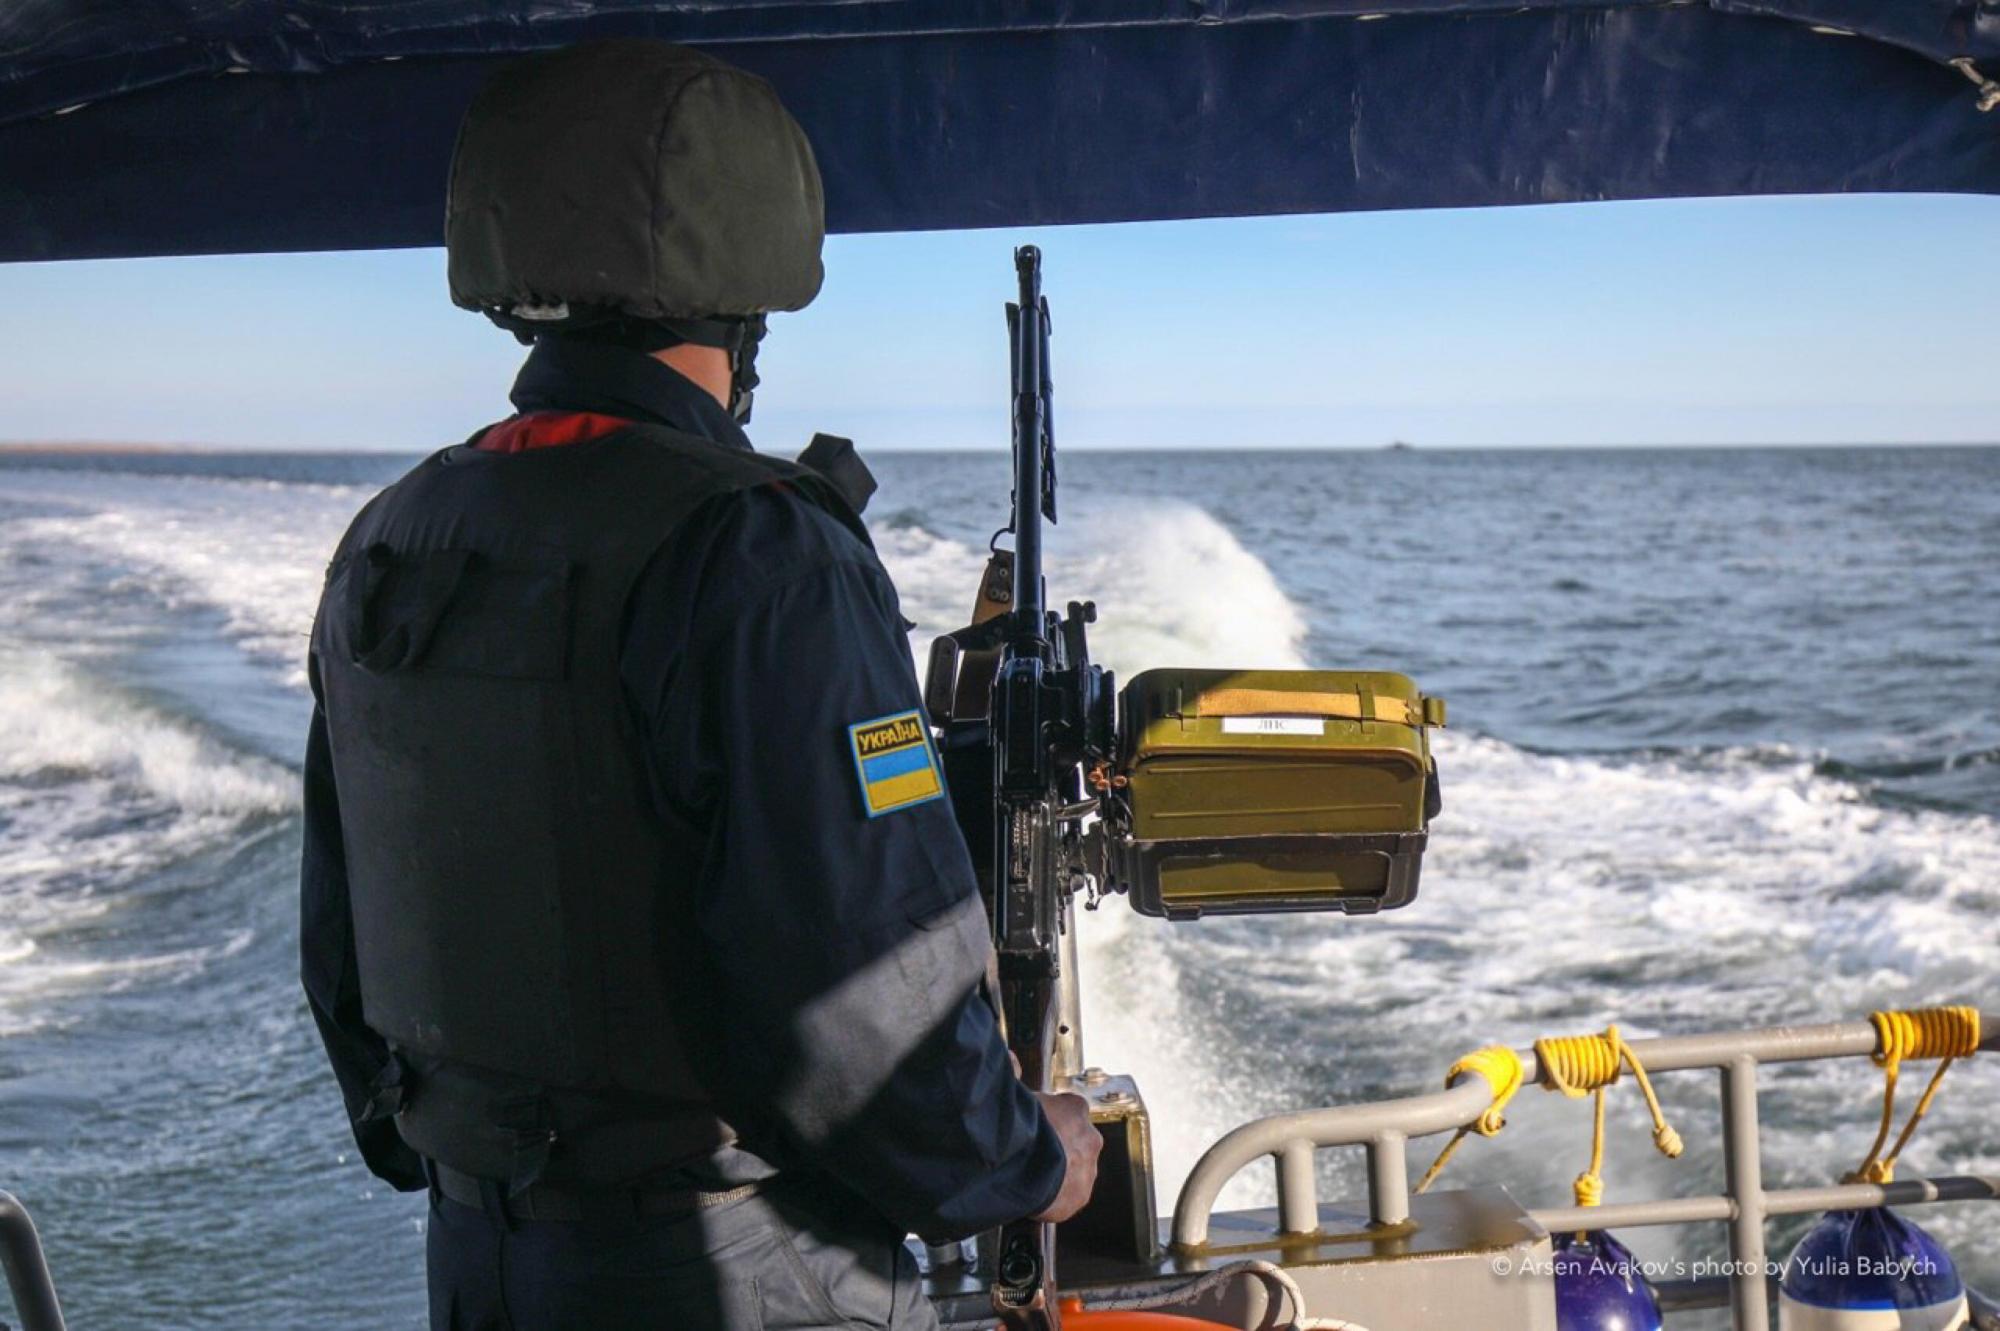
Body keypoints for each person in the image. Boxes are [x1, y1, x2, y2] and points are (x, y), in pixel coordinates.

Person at [298, 38, 1100, 1331]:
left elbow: (344, 944)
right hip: (739, 1271)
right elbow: (869, 985)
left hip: (482, 1259)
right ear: (752, 280)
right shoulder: (762, 550)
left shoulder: (394, 539)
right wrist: (1028, 1159)